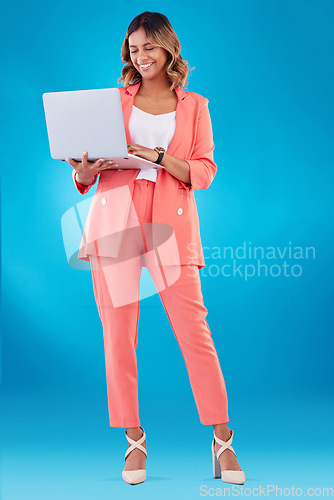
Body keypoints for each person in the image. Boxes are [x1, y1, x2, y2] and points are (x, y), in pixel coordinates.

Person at [66, 11, 246, 486]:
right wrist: (83, 171)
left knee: (194, 334)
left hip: (172, 221)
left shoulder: (195, 106)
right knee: (118, 337)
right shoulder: (111, 101)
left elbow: (204, 172)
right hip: (115, 222)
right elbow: (87, 176)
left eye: (148, 47)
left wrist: (160, 158)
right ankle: (133, 441)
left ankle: (223, 440)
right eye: (133, 47)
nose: (140, 56)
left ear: (168, 48)